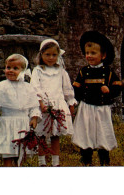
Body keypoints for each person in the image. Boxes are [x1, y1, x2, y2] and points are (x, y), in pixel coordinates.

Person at [72, 31, 122, 166]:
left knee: (102, 132)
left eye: (93, 53)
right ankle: (86, 159)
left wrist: (109, 90)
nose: (89, 56)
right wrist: (76, 100)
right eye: (87, 53)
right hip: (86, 108)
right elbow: (76, 88)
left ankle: (104, 160)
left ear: (103, 55)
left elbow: (118, 87)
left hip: (102, 108)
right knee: (85, 132)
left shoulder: (109, 72)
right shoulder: (83, 71)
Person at [30, 39, 77, 167]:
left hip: (57, 106)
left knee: (55, 135)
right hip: (43, 106)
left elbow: (67, 88)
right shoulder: (38, 70)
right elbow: (35, 87)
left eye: (54, 55)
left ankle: (56, 163)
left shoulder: (61, 71)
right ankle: (42, 162)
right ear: (41, 55)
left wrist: (70, 103)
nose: (51, 58)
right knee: (42, 135)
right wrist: (41, 104)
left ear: (58, 56)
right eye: (47, 55)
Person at [0, 54, 41, 167]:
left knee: (21, 153)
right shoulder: (1, 87)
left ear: (23, 70)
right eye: (8, 68)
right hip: (6, 124)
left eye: (15, 68)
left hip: (23, 123)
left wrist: (34, 117)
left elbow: (33, 105)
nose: (11, 71)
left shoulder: (28, 87)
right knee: (8, 152)